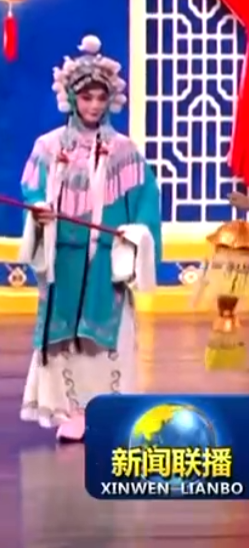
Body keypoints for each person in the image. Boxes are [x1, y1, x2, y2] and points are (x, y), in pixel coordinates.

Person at [18, 35, 162, 442]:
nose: (94, 105)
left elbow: (146, 202)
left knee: (106, 338)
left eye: (101, 97)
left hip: (104, 262)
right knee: (64, 339)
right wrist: (39, 208)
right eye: (86, 97)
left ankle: (108, 408)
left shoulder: (125, 151)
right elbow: (32, 189)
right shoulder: (48, 146)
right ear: (71, 98)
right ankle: (71, 410)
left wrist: (135, 233)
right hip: (64, 260)